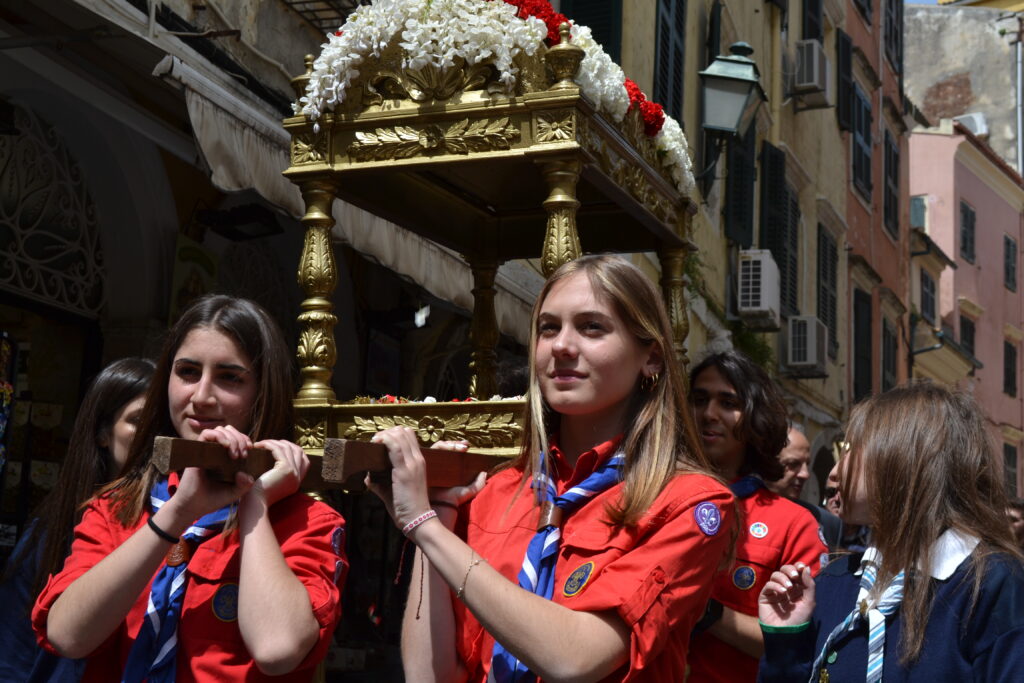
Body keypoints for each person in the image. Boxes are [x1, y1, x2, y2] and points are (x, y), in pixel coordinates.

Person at [371, 255, 735, 682]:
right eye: (548, 328)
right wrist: (438, 516)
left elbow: (575, 659)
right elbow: (428, 676)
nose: (561, 345)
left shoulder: (691, 503)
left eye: (591, 327)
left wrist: (424, 525)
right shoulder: (494, 490)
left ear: (651, 357)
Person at [31, 295, 346, 682]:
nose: (201, 397)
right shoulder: (118, 506)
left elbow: (277, 650)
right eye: (188, 372)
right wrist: (178, 512)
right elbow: (67, 636)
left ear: (264, 391)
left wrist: (256, 503)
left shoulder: (308, 522)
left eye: (230, 377)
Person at [758, 381, 1024, 681]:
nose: (833, 473)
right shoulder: (834, 580)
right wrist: (785, 642)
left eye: (851, 451)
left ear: (904, 460)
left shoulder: (990, 584)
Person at [0, 357, 154, 682]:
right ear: (102, 433)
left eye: (161, 422)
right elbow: (12, 653)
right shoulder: (51, 533)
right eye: (138, 420)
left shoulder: (182, 526)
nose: (153, 435)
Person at [687, 351, 827, 683]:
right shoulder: (649, 499)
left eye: (728, 403)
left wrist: (707, 613)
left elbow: (806, 645)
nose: (709, 414)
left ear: (754, 417)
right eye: (699, 400)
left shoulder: (793, 524)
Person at [766, 427, 843, 551]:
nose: (805, 474)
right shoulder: (736, 507)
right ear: (766, 462)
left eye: (807, 464)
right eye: (793, 464)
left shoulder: (827, 523)